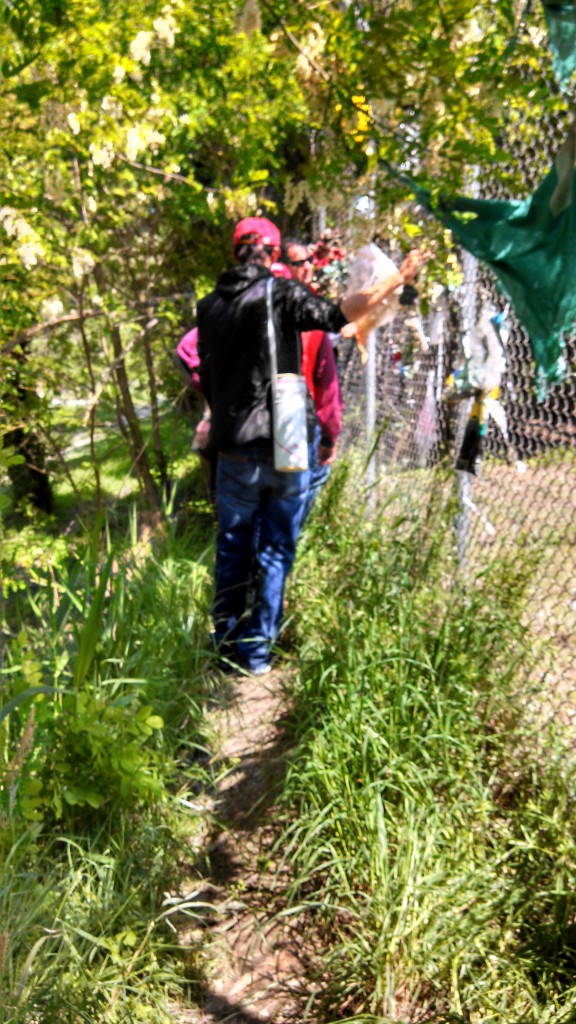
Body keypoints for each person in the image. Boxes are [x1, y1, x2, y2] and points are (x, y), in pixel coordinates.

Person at [197, 216, 427, 675]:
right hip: (286, 440)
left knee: (232, 546)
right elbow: (338, 314)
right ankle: (258, 653)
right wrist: (397, 278)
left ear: (233, 252)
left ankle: (224, 645)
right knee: (276, 550)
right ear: (275, 255)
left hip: (233, 443)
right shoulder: (280, 294)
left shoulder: (208, 307)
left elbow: (206, 371)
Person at [282, 238, 343, 518]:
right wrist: (329, 434)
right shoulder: (308, 312)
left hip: (256, 420)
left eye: (309, 261)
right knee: (306, 483)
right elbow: (325, 380)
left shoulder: (250, 302)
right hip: (296, 416)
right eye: (299, 263)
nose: (308, 267)